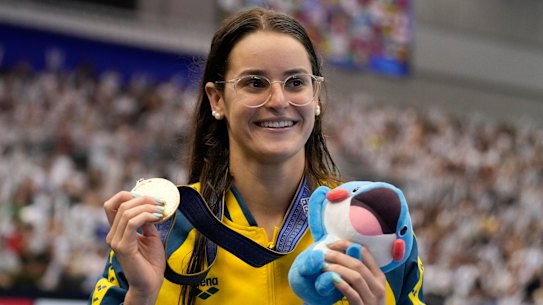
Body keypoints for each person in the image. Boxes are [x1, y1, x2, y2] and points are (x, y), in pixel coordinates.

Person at [88, 7, 425, 305]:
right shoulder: (161, 230)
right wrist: (142, 298)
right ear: (217, 99)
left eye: (295, 82)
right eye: (255, 83)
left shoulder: (377, 225)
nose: (278, 99)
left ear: (316, 95)